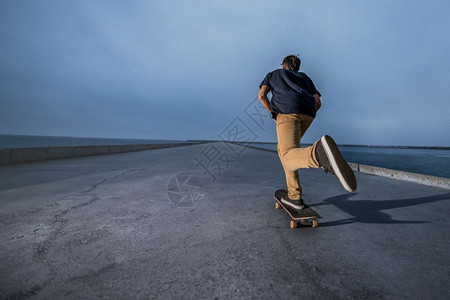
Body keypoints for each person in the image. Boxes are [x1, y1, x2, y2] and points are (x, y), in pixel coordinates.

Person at [258, 54, 356, 210]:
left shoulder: (274, 74)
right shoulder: (305, 78)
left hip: (286, 113)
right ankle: (294, 195)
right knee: (285, 150)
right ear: (297, 67)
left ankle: (318, 154)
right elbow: (318, 103)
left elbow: (262, 95)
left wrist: (274, 112)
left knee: (287, 155)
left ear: (283, 65)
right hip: (308, 113)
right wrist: (306, 111)